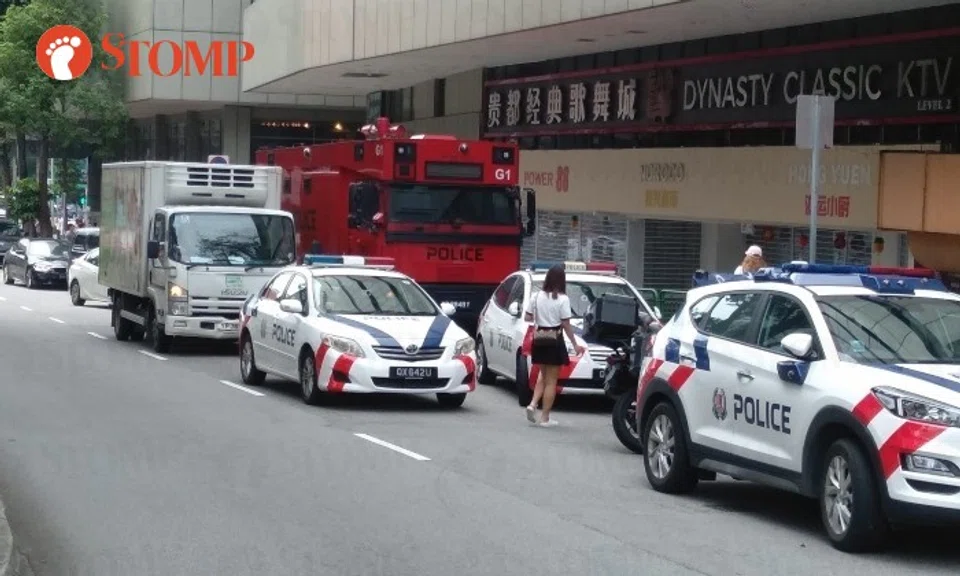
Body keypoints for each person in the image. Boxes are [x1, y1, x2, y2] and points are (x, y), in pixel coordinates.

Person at [523, 265, 586, 427]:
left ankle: (532, 404)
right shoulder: (563, 299)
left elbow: (527, 317)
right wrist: (574, 344)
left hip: (539, 339)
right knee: (551, 381)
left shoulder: (536, 296)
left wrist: (540, 317)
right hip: (554, 340)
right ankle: (545, 418)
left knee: (542, 375)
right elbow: (565, 324)